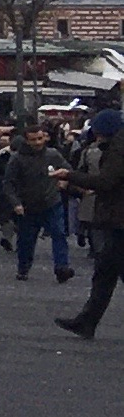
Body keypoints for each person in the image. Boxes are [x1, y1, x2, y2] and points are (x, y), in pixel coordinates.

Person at [57, 104, 124, 340]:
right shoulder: (115, 145)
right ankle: (87, 321)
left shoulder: (118, 148)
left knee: (106, 272)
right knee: (105, 273)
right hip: (115, 219)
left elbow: (106, 181)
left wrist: (69, 175)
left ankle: (87, 321)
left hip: (118, 219)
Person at [12, 118, 72, 284]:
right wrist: (15, 202)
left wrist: (65, 180)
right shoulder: (17, 159)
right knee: (26, 241)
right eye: (33, 140)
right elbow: (8, 183)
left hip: (52, 202)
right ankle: (23, 267)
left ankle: (62, 268)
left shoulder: (52, 154)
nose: (38, 143)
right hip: (28, 206)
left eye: (40, 138)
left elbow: (67, 169)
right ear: (26, 140)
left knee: (59, 234)